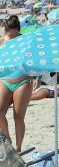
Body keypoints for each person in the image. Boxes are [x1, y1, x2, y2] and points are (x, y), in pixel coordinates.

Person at [0, 15, 32, 150]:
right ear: (5, 31)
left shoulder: (25, 41)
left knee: (18, 117)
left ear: (18, 31)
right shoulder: (1, 42)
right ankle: (7, 140)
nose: (13, 38)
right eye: (10, 35)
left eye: (15, 35)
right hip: (5, 80)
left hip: (22, 81)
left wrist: (38, 77)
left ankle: (18, 148)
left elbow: (34, 59)